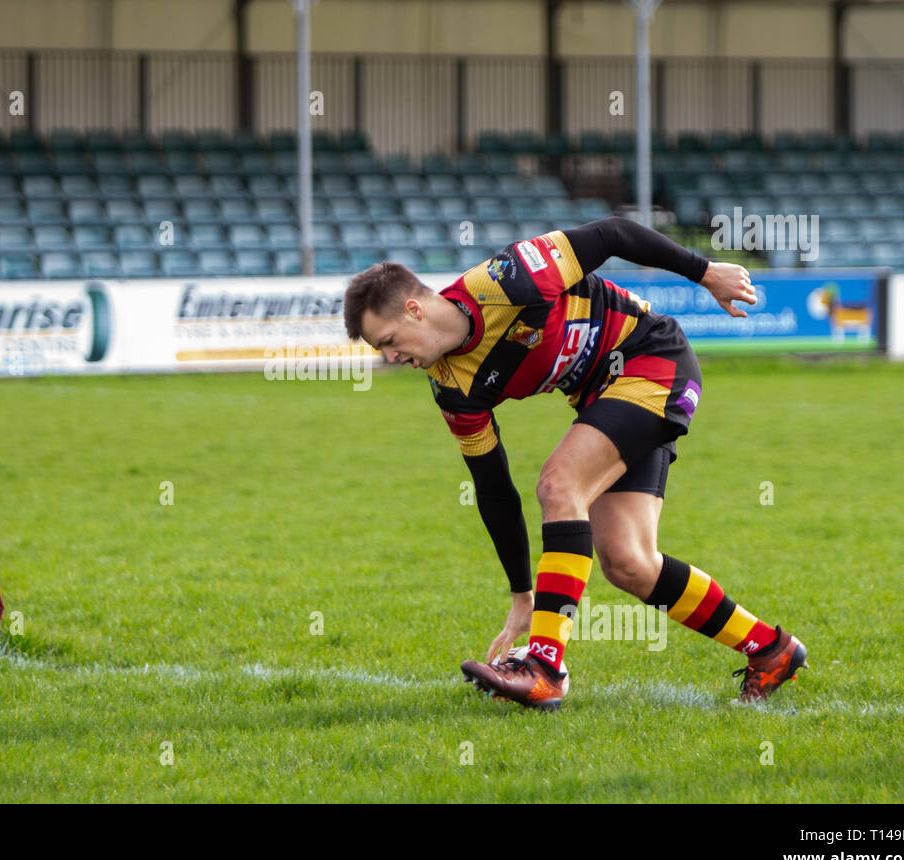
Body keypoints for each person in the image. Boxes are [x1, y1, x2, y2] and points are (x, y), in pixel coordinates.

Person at [341, 217, 807, 711]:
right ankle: (771, 650)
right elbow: (494, 488)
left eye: (388, 340)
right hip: (602, 397)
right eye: (381, 350)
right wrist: (523, 594)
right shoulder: (452, 388)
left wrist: (704, 271)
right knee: (628, 562)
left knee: (559, 483)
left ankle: (543, 668)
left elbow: (613, 235)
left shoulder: (508, 280)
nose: (390, 357)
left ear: (414, 310)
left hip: (651, 359)